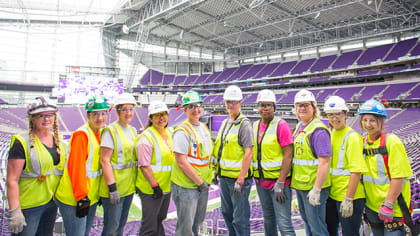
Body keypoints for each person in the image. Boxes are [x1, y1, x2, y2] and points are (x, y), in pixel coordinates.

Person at [6, 97, 66, 236]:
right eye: (40, 116)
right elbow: (12, 180)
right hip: (29, 206)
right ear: (32, 119)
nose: (46, 119)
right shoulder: (22, 142)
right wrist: (15, 210)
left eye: (50, 115)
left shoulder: (59, 141)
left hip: (51, 203)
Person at [55, 95, 109, 236]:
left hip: (90, 197)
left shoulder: (100, 133)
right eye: (95, 114)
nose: (100, 118)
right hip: (74, 198)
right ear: (88, 115)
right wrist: (81, 197)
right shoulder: (82, 135)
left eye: (103, 113)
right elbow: (76, 168)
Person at [358, 100, 413, 236]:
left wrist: (388, 204)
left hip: (392, 209)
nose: (368, 124)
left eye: (372, 120)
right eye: (365, 120)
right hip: (371, 208)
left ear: (381, 122)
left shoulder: (392, 142)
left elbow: (398, 176)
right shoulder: (363, 143)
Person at [252, 89, 295, 236]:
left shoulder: (281, 125)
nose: (264, 109)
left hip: (278, 184)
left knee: (284, 225)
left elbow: (288, 154)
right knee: (268, 220)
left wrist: (281, 182)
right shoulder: (255, 125)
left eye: (268, 105)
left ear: (274, 107)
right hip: (261, 183)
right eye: (261, 105)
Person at [171, 91, 213, 236]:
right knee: (186, 228)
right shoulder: (182, 131)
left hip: (202, 185)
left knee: (197, 222)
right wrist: (199, 182)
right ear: (185, 110)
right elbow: (181, 162)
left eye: (199, 105)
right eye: (191, 107)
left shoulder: (203, 128)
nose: (196, 110)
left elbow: (206, 157)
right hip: (187, 186)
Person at [323, 96, 367, 236]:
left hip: (349, 196)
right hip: (334, 194)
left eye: (338, 114)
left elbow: (356, 171)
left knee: (350, 233)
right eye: (331, 115)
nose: (335, 118)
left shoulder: (352, 137)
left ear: (346, 114)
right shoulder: (332, 133)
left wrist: (349, 199)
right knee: (330, 231)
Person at [213, 85, 254, 236]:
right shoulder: (225, 123)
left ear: (240, 103)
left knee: (240, 218)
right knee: (227, 213)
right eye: (228, 102)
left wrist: (241, 178)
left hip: (238, 180)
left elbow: (248, 152)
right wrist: (216, 173)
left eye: (234, 102)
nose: (230, 105)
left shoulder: (244, 124)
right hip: (224, 178)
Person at [291, 89, 331, 236]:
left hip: (313, 187)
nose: (302, 108)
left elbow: (324, 161)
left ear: (314, 108)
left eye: (306, 105)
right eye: (299, 105)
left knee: (317, 228)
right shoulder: (300, 127)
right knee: (308, 224)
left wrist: (317, 189)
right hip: (302, 185)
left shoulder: (318, 130)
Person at [99, 93, 138, 236]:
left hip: (128, 187)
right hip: (115, 188)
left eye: (131, 109)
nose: (128, 113)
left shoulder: (132, 131)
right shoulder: (111, 131)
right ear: (117, 112)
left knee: (121, 226)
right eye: (125, 110)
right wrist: (112, 187)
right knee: (111, 228)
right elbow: (104, 160)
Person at [136, 101, 174, 236]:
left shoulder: (169, 133)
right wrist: (155, 186)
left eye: (163, 114)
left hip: (165, 187)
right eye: (157, 115)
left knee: (159, 220)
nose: (161, 117)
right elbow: (144, 166)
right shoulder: (146, 138)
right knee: (149, 227)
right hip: (151, 189)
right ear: (151, 118)